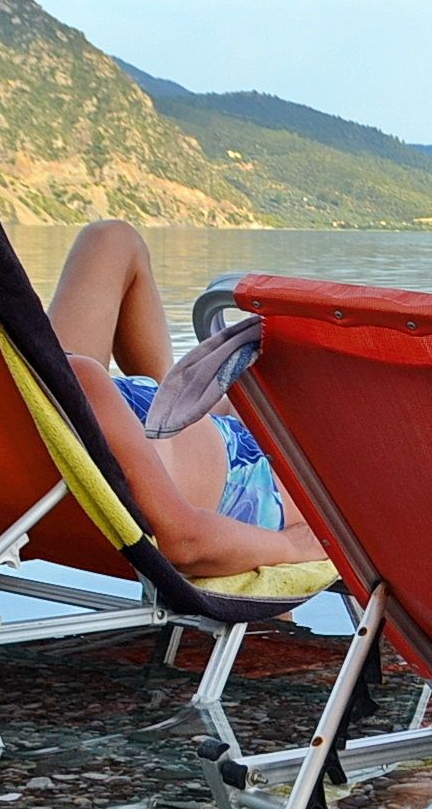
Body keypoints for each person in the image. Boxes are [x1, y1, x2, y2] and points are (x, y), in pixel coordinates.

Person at [44, 220, 328, 578]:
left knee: (111, 238)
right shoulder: (80, 383)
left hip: (134, 423)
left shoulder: (48, 381)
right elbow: (184, 544)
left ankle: (177, 400)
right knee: (280, 377)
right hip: (252, 487)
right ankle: (178, 403)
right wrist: (292, 547)